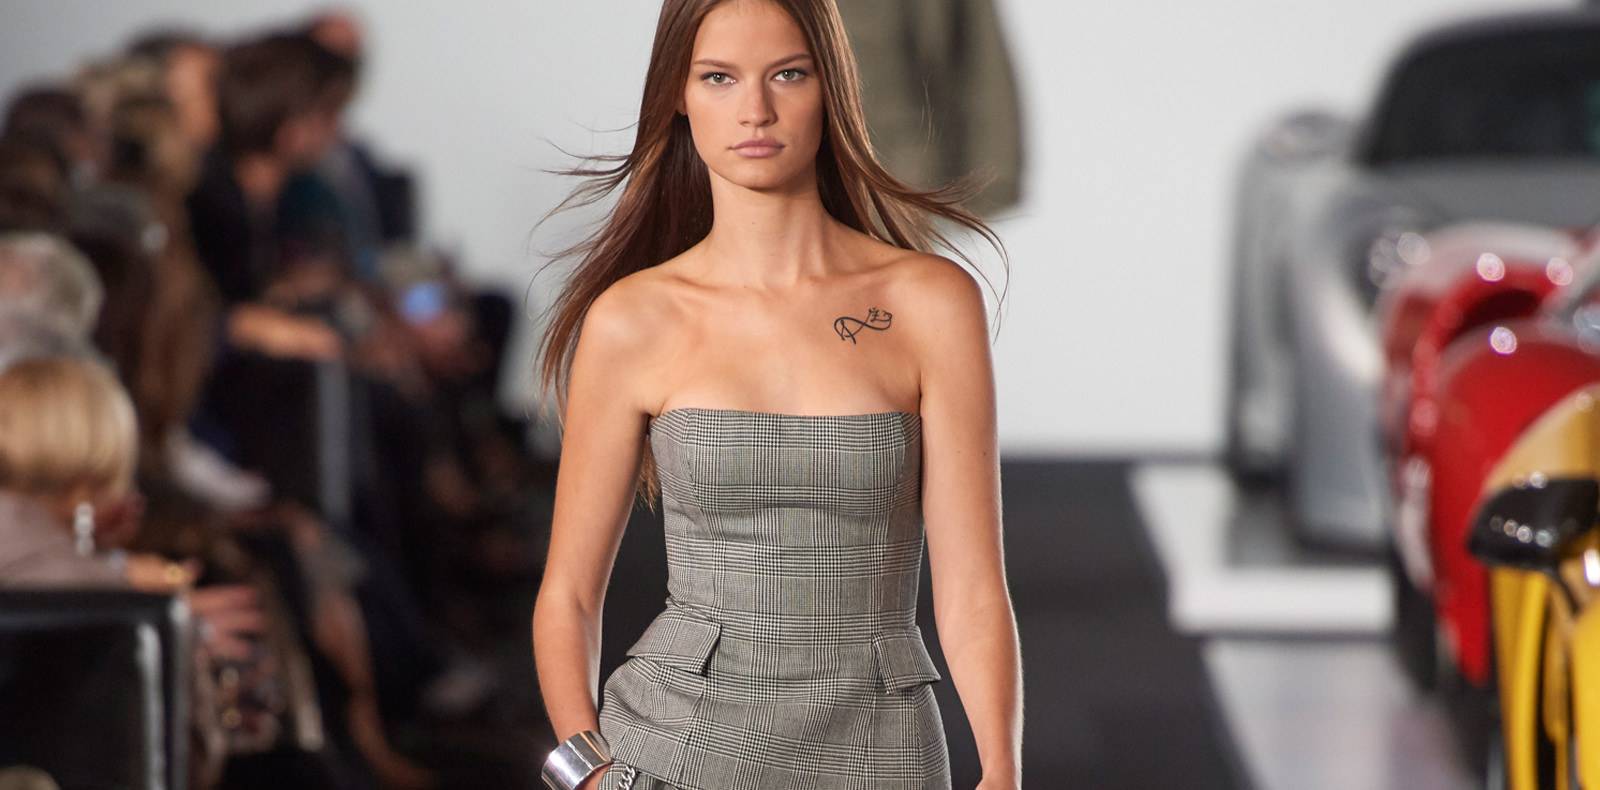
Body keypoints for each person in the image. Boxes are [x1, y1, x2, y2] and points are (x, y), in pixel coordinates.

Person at [530, 1, 1024, 788]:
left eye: (788, 75)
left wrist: (1002, 768)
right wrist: (583, 773)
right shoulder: (634, 320)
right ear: (678, 96)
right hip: (674, 746)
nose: (754, 110)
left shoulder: (929, 302)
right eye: (718, 78)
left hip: (881, 745)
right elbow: (568, 593)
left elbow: (971, 587)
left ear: (834, 89)